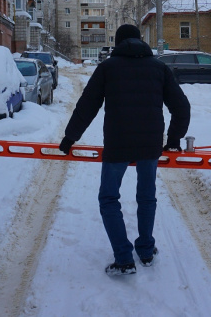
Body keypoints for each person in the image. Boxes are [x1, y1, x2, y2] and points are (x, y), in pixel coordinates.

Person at [59, 24, 190, 276]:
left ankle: (123, 258)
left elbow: (87, 105)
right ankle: (146, 250)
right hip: (150, 145)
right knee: (147, 197)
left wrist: (70, 137)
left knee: (109, 199)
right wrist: (173, 139)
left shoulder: (108, 68)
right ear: (140, 41)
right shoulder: (159, 68)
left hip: (117, 144)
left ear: (118, 43)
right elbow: (181, 107)